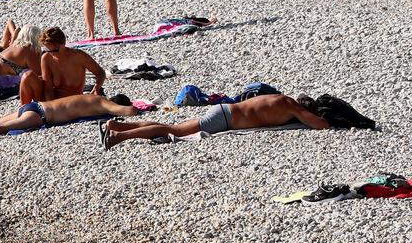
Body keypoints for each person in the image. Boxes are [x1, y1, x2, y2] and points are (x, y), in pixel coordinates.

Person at [102, 92, 332, 149]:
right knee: (173, 130)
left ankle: (117, 126)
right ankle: (119, 137)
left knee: (174, 126)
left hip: (223, 110)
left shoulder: (280, 98)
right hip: (225, 118)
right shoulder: (292, 107)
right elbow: (322, 125)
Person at [0, 91, 141, 148]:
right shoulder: (102, 102)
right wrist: (139, 109)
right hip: (40, 115)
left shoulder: (89, 96)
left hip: (34, 105)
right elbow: (127, 112)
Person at [22, 27, 105, 104]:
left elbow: (100, 73)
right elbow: (48, 88)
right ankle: (23, 109)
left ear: (63, 44)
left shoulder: (78, 56)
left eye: (55, 51)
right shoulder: (47, 58)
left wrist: (96, 88)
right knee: (27, 76)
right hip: (53, 101)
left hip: (73, 101)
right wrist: (51, 106)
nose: (52, 54)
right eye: (48, 50)